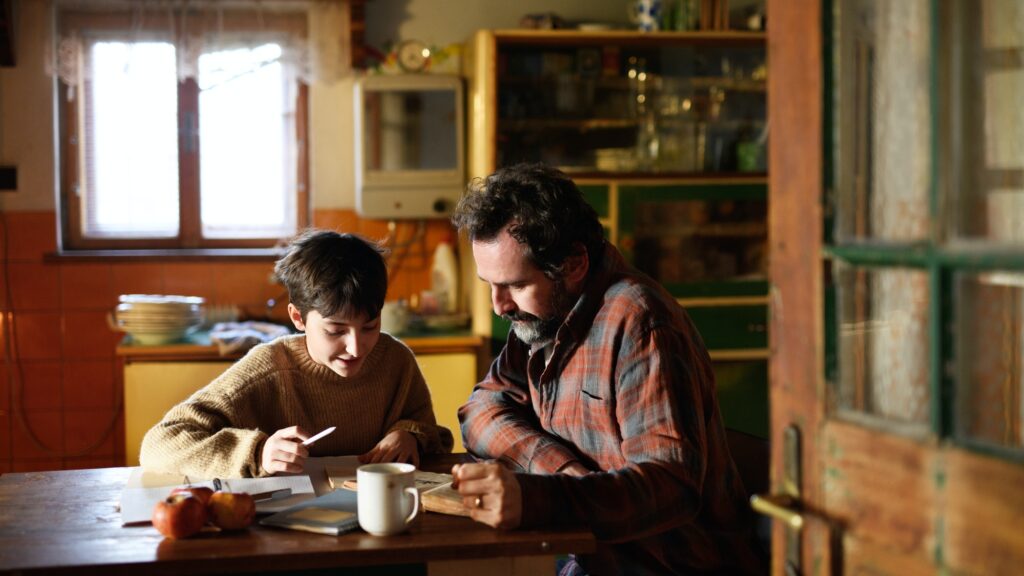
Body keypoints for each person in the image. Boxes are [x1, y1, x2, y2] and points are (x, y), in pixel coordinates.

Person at [449, 164, 764, 576]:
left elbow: (672, 487)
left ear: (575, 262)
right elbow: (481, 410)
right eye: (489, 284)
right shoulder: (541, 316)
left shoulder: (641, 323)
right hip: (594, 555)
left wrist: (539, 498)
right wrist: (561, 470)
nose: (499, 306)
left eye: (515, 284)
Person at [140, 229, 453, 479]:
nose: (356, 348)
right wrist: (256, 453)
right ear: (298, 318)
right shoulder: (268, 369)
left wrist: (409, 435)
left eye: (370, 326)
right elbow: (159, 444)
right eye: (335, 331)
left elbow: (431, 433)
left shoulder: (395, 360)